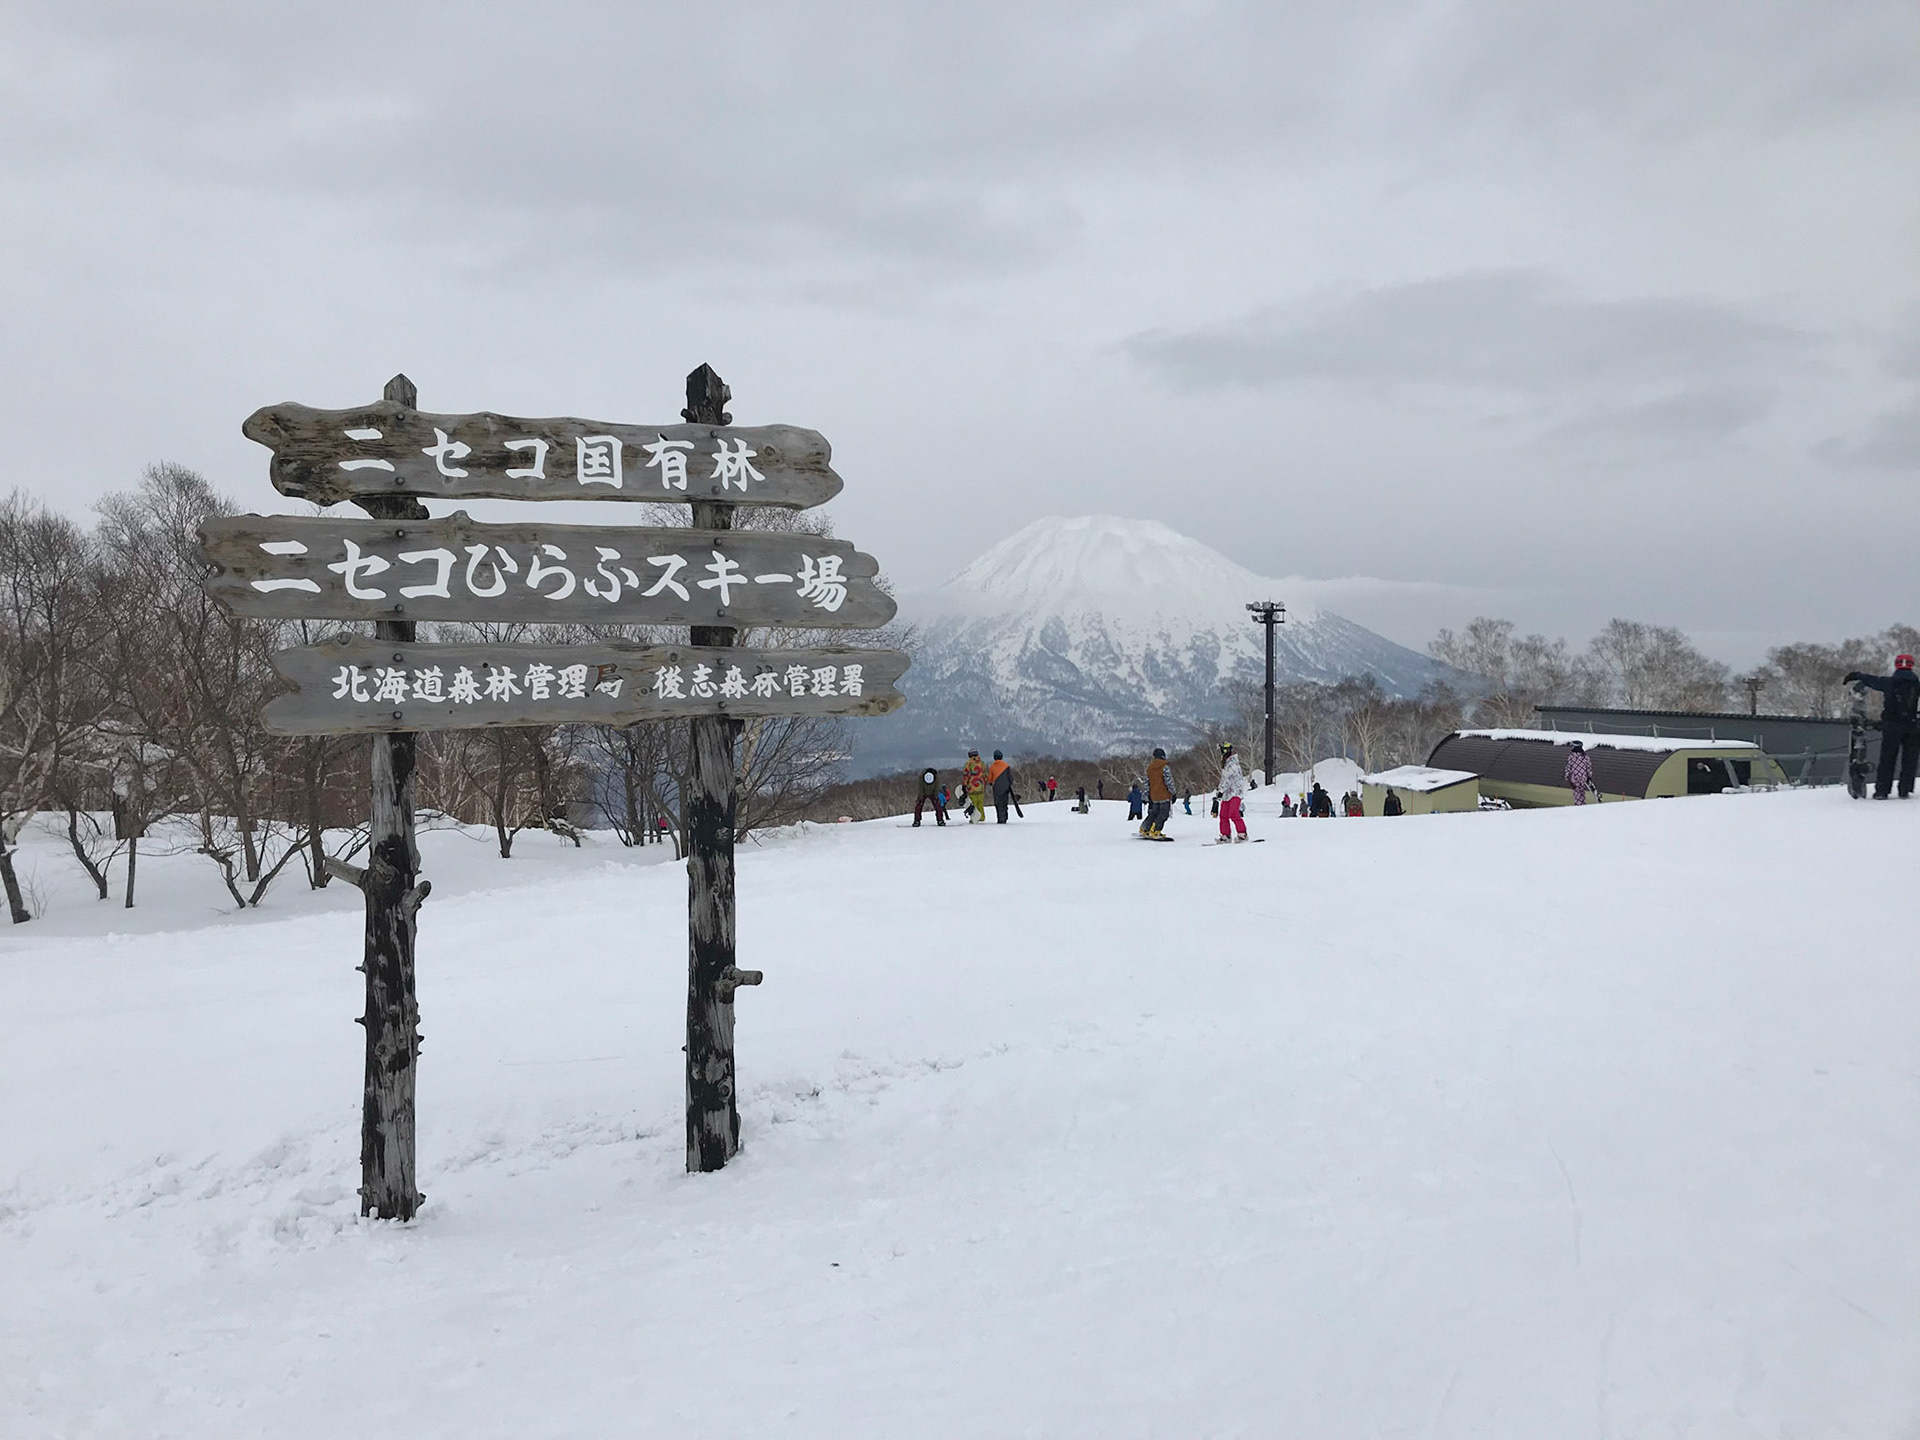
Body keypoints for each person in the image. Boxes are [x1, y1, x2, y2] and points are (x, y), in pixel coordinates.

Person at [1847, 654, 1920, 798]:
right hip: (1913, 726)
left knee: (1887, 759)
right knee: (1910, 760)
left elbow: (1870, 680)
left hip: (1891, 726)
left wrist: (1856, 675)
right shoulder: (1917, 684)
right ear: (1911, 665)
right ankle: (1904, 790)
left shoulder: (1888, 682)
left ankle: (1882, 791)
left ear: (1896, 665)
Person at [1214, 741, 1249, 842]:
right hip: (1227, 794)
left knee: (1233, 813)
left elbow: (1229, 779)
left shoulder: (1232, 764)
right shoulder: (1226, 764)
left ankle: (1242, 833)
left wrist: (1221, 790)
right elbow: (1223, 779)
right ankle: (1226, 835)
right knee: (1223, 815)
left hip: (1235, 792)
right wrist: (1219, 791)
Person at [1142, 746, 1174, 837]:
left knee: (1154, 813)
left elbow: (1146, 783)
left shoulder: (1149, 768)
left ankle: (1145, 828)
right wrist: (1173, 792)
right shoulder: (1164, 767)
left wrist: (1145, 796)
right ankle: (1156, 830)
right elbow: (1169, 781)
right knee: (1164, 814)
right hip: (1164, 795)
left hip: (1154, 796)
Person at [960, 749, 988, 823]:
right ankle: (982, 817)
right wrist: (984, 785)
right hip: (981, 787)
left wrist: (964, 785)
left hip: (971, 787)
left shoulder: (968, 764)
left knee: (973, 803)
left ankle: (975, 818)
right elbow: (985, 775)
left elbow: (966, 775)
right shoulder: (982, 763)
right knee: (980, 803)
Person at [987, 750, 1015, 823]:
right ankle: (1005, 817)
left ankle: (1000, 818)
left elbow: (989, 778)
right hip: (1006, 788)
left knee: (998, 804)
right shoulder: (1006, 766)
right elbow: (1010, 778)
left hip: (996, 788)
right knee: (1004, 803)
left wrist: (991, 783)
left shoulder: (992, 767)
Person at [1565, 740, 1595, 806]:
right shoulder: (1585, 756)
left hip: (1575, 778)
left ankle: (1578, 804)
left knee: (1577, 792)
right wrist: (1589, 776)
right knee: (1582, 790)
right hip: (1583, 777)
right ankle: (1582, 803)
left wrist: (1567, 776)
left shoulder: (1571, 757)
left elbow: (1569, 767)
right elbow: (1588, 767)